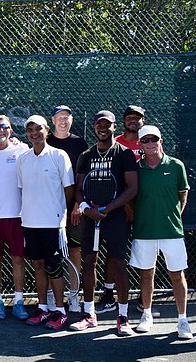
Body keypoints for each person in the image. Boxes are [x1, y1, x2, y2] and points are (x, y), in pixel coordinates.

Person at [69, 111, 138, 336]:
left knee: (118, 263)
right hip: (91, 218)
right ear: (95, 127)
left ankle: (123, 317)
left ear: (114, 127)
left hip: (115, 217)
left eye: (107, 125)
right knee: (89, 262)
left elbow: (132, 188)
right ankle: (89, 314)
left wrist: (108, 209)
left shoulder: (124, 154)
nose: (103, 128)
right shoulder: (86, 156)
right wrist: (86, 208)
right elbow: (79, 189)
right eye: (99, 125)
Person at [129, 125, 192, 339]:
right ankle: (146, 315)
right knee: (146, 274)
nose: (150, 144)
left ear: (160, 140)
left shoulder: (176, 166)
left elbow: (182, 196)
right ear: (140, 144)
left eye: (153, 139)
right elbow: (130, 201)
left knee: (177, 275)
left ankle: (183, 320)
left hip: (172, 232)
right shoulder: (136, 169)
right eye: (145, 140)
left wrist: (171, 217)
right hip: (144, 231)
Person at [17, 116, 75, 330]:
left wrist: (58, 213)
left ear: (47, 130)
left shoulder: (59, 156)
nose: (34, 133)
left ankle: (60, 311)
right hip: (30, 223)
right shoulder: (23, 159)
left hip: (53, 224)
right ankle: (43, 308)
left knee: (54, 268)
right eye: (30, 129)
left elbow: (69, 190)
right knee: (38, 266)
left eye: (38, 129)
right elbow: (23, 189)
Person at [0, 115, 29, 320]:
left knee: (18, 258)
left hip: (18, 216)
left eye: (5, 127)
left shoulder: (22, 151)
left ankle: (19, 301)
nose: (1, 130)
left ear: (11, 131)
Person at [103, 104, 147, 315]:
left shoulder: (149, 140)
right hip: (119, 206)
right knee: (115, 251)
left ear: (143, 121)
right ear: (123, 122)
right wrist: (126, 204)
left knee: (144, 252)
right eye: (129, 117)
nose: (133, 120)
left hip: (146, 206)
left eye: (137, 117)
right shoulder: (116, 143)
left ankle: (142, 297)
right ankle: (108, 294)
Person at [46, 104, 88, 312]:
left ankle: (73, 296)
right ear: (52, 121)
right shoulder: (45, 141)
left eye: (67, 117)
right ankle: (53, 297)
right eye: (59, 117)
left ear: (71, 120)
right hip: (48, 210)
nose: (63, 120)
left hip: (74, 210)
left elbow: (84, 177)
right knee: (50, 253)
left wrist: (78, 204)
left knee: (74, 250)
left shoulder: (80, 143)